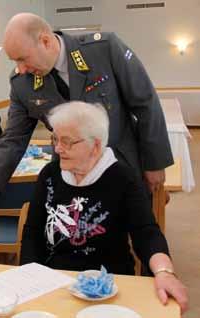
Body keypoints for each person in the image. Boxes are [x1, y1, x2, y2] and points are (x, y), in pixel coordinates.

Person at [0, 13, 173, 210]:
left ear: (45, 41)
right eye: (15, 61)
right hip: (69, 179)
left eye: (23, 58)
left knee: (132, 239)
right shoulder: (22, 83)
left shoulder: (103, 49)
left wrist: (155, 163)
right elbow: (13, 138)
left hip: (121, 168)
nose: (21, 68)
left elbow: (145, 103)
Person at [20, 102, 188, 313]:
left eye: (67, 142)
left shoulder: (123, 178)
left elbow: (146, 232)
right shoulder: (50, 174)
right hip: (54, 281)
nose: (57, 148)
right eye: (55, 139)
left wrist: (164, 272)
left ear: (96, 146)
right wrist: (28, 276)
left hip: (109, 284)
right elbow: (33, 231)